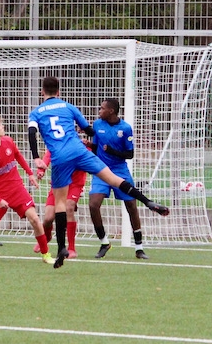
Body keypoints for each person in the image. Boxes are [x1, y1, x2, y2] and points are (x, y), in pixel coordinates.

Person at [28, 76, 168, 269]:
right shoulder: (69, 107)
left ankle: (61, 248)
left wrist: (36, 157)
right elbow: (87, 129)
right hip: (78, 150)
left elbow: (31, 133)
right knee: (114, 179)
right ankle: (148, 202)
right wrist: (90, 135)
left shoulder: (36, 113)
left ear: (42, 92)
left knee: (60, 204)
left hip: (60, 157)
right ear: (59, 92)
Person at [0, 116, 52, 263]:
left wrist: (30, 174)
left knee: (35, 219)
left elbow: (18, 156)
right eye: (0, 125)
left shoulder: (8, 141)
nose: (3, 127)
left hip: (17, 189)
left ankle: (46, 254)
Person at [87, 97, 149, 259]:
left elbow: (130, 154)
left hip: (120, 170)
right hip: (101, 170)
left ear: (111, 111)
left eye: (102, 108)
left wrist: (112, 151)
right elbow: (95, 147)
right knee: (93, 205)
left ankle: (139, 248)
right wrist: (88, 149)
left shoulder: (126, 128)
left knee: (131, 206)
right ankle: (104, 242)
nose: (99, 111)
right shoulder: (97, 125)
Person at [36, 143, 90, 258]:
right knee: (48, 218)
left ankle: (71, 248)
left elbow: (92, 158)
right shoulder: (58, 142)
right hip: (59, 183)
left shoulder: (83, 145)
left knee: (69, 207)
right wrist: (41, 169)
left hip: (75, 184)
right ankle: (47, 236)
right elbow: (48, 156)